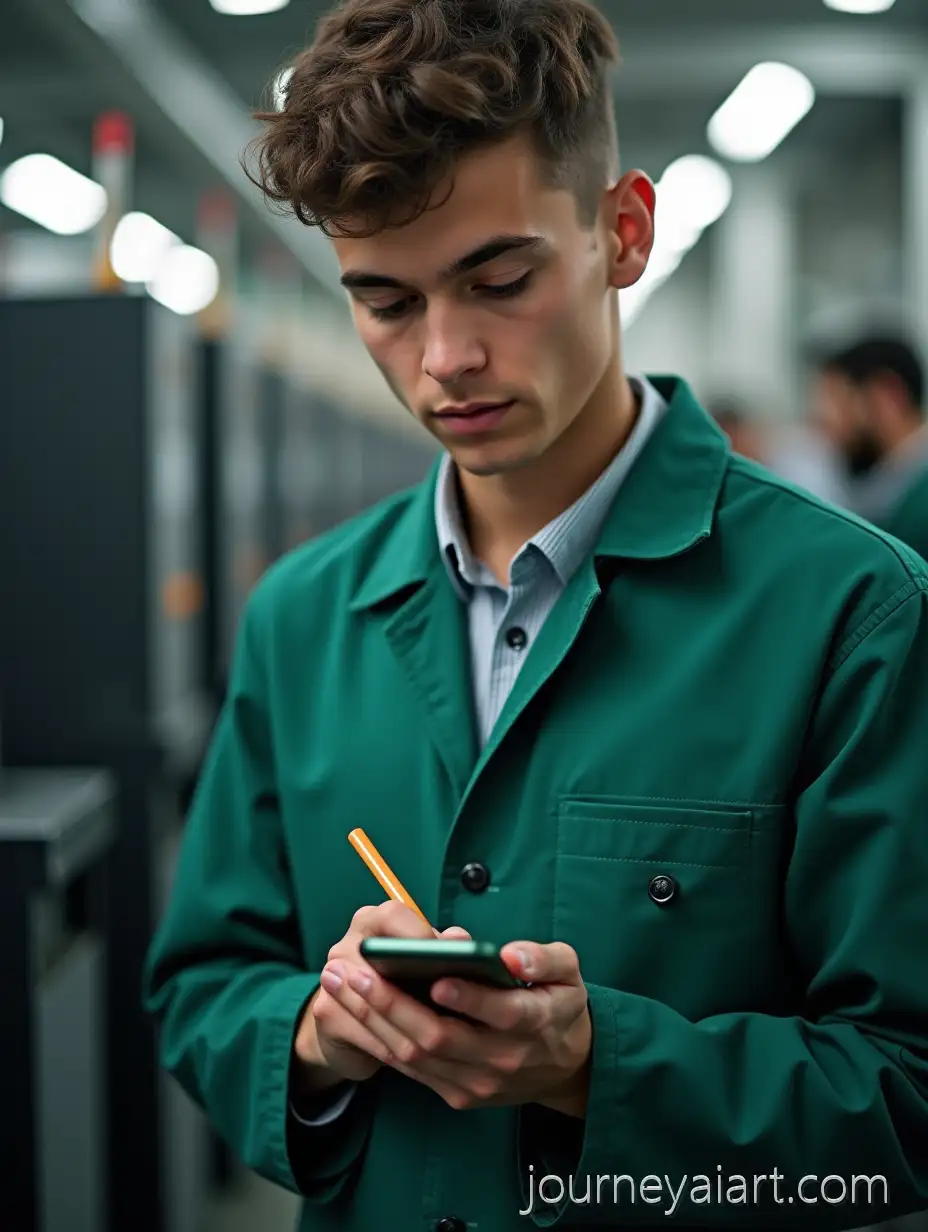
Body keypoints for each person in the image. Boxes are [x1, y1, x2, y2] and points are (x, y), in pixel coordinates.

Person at [142, 1, 928, 1229]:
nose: (444, 357)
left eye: (498, 280)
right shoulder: (302, 616)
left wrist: (596, 1066)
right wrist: (314, 1031)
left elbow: (906, 1092)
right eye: (386, 302)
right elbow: (201, 983)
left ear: (623, 232)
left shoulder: (848, 612)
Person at [811, 334, 928, 559]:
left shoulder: (918, 507)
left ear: (888, 396)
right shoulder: (890, 493)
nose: (827, 422)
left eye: (838, 402)